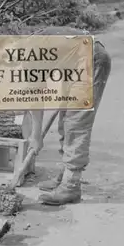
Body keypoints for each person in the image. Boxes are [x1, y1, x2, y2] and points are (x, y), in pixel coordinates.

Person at [27, 26, 111, 205]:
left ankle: (71, 185)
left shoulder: (27, 54)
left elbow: (35, 95)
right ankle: (65, 175)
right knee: (65, 119)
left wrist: (36, 137)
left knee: (76, 122)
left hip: (91, 59)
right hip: (72, 62)